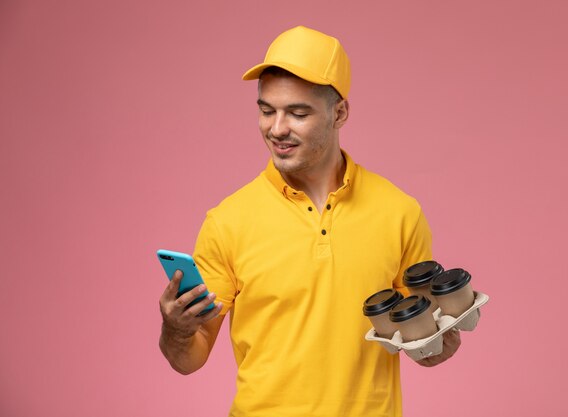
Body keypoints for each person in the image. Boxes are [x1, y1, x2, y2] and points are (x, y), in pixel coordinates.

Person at [159, 25, 462, 416]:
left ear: (339, 113)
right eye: (266, 110)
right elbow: (189, 359)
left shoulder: (400, 212)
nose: (277, 128)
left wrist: (439, 343)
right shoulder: (227, 221)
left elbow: (419, 338)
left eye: (297, 113)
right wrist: (176, 329)